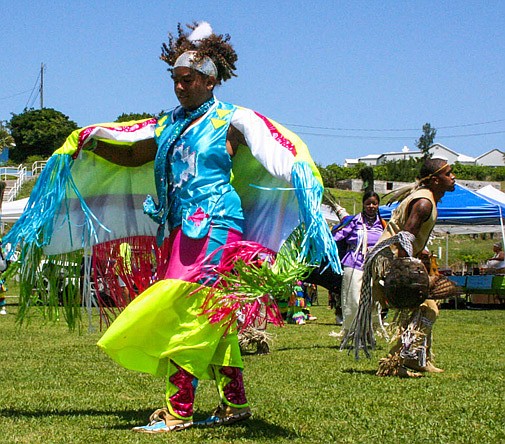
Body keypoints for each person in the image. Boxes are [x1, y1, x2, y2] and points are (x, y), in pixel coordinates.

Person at [94, 22, 340, 434]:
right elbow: (136, 152)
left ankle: (179, 410)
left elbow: (273, 148)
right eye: (174, 80)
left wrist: (300, 173)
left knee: (185, 310)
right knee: (214, 315)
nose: (179, 87)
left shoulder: (231, 119)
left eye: (187, 80)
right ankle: (234, 403)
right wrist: (88, 143)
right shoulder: (170, 123)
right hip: (178, 228)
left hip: (215, 225)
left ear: (210, 80)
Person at [343, 157, 456, 378]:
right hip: (392, 261)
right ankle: (398, 362)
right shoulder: (423, 203)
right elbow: (404, 239)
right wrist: (406, 272)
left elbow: (406, 235)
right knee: (424, 309)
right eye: (448, 174)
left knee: (427, 308)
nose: (453, 178)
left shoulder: (426, 198)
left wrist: (419, 252)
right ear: (434, 180)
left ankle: (418, 359)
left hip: (395, 257)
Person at [332, 191, 385, 338]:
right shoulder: (354, 221)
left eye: (374, 203)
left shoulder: (382, 223)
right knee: (354, 299)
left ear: (378, 205)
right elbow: (337, 236)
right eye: (368, 203)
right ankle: (352, 332)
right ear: (363, 204)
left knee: (373, 300)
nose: (371, 206)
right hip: (354, 262)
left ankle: (369, 332)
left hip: (375, 266)